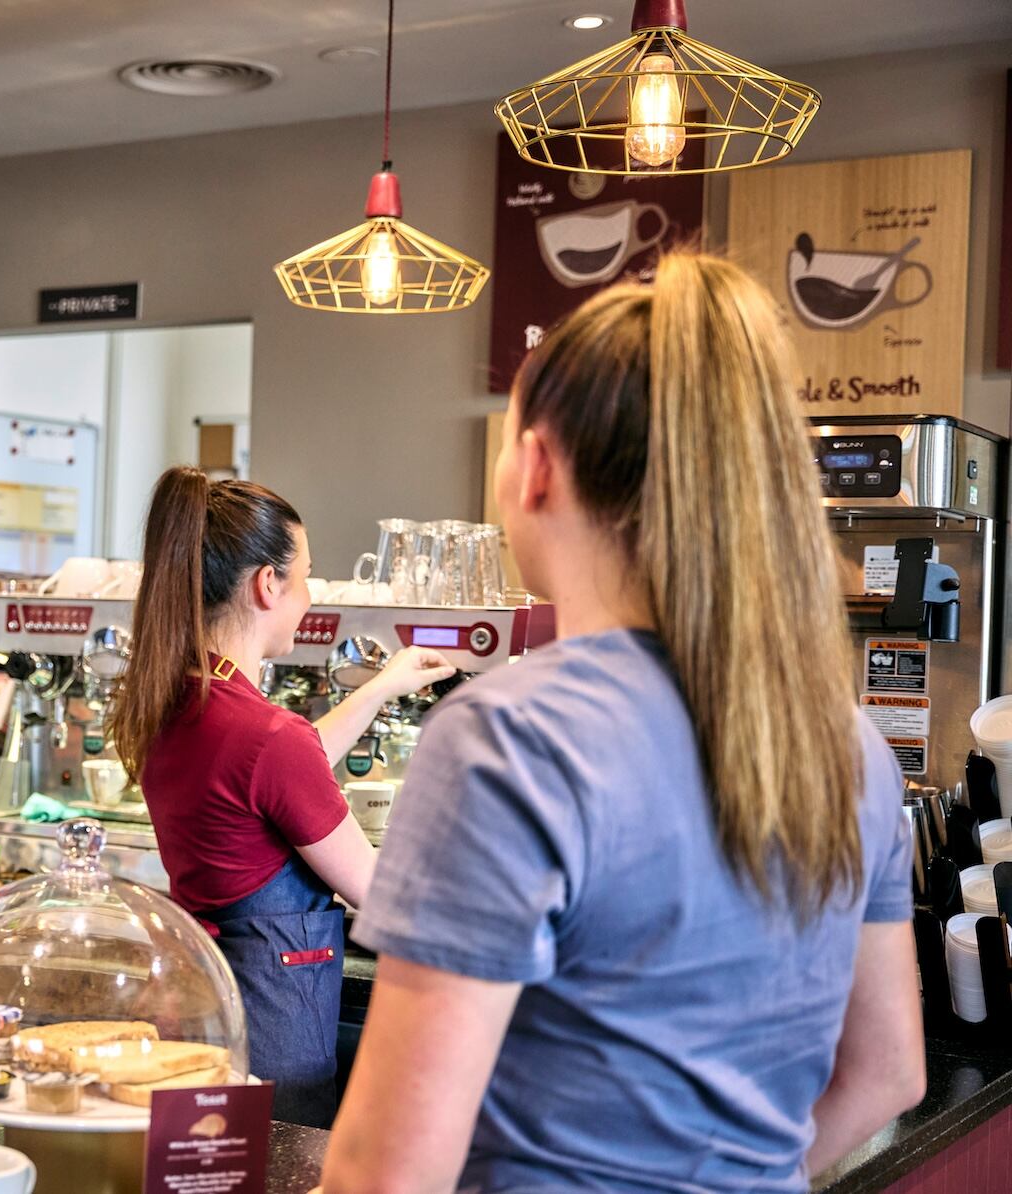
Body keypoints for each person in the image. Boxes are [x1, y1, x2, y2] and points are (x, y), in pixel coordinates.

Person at [321, 254, 925, 1192]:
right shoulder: (850, 745)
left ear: (536, 467)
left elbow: (385, 1175)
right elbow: (889, 1073)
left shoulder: (507, 738)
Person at [111, 467, 456, 1128]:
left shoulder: (174, 702)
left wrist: (381, 688)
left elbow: (273, 769)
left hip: (210, 1014)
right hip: (277, 1034)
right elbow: (381, 894)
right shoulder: (266, 737)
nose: (310, 595)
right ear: (267, 584)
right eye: (305, 574)